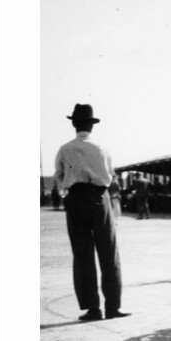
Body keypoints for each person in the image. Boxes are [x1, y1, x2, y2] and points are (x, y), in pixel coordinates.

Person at [54, 103, 129, 321]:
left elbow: (59, 175)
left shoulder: (65, 148)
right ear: (92, 125)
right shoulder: (102, 148)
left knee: (83, 253)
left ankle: (92, 308)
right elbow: (111, 175)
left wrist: (70, 187)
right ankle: (113, 307)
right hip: (100, 198)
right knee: (109, 252)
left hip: (76, 199)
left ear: (75, 125)